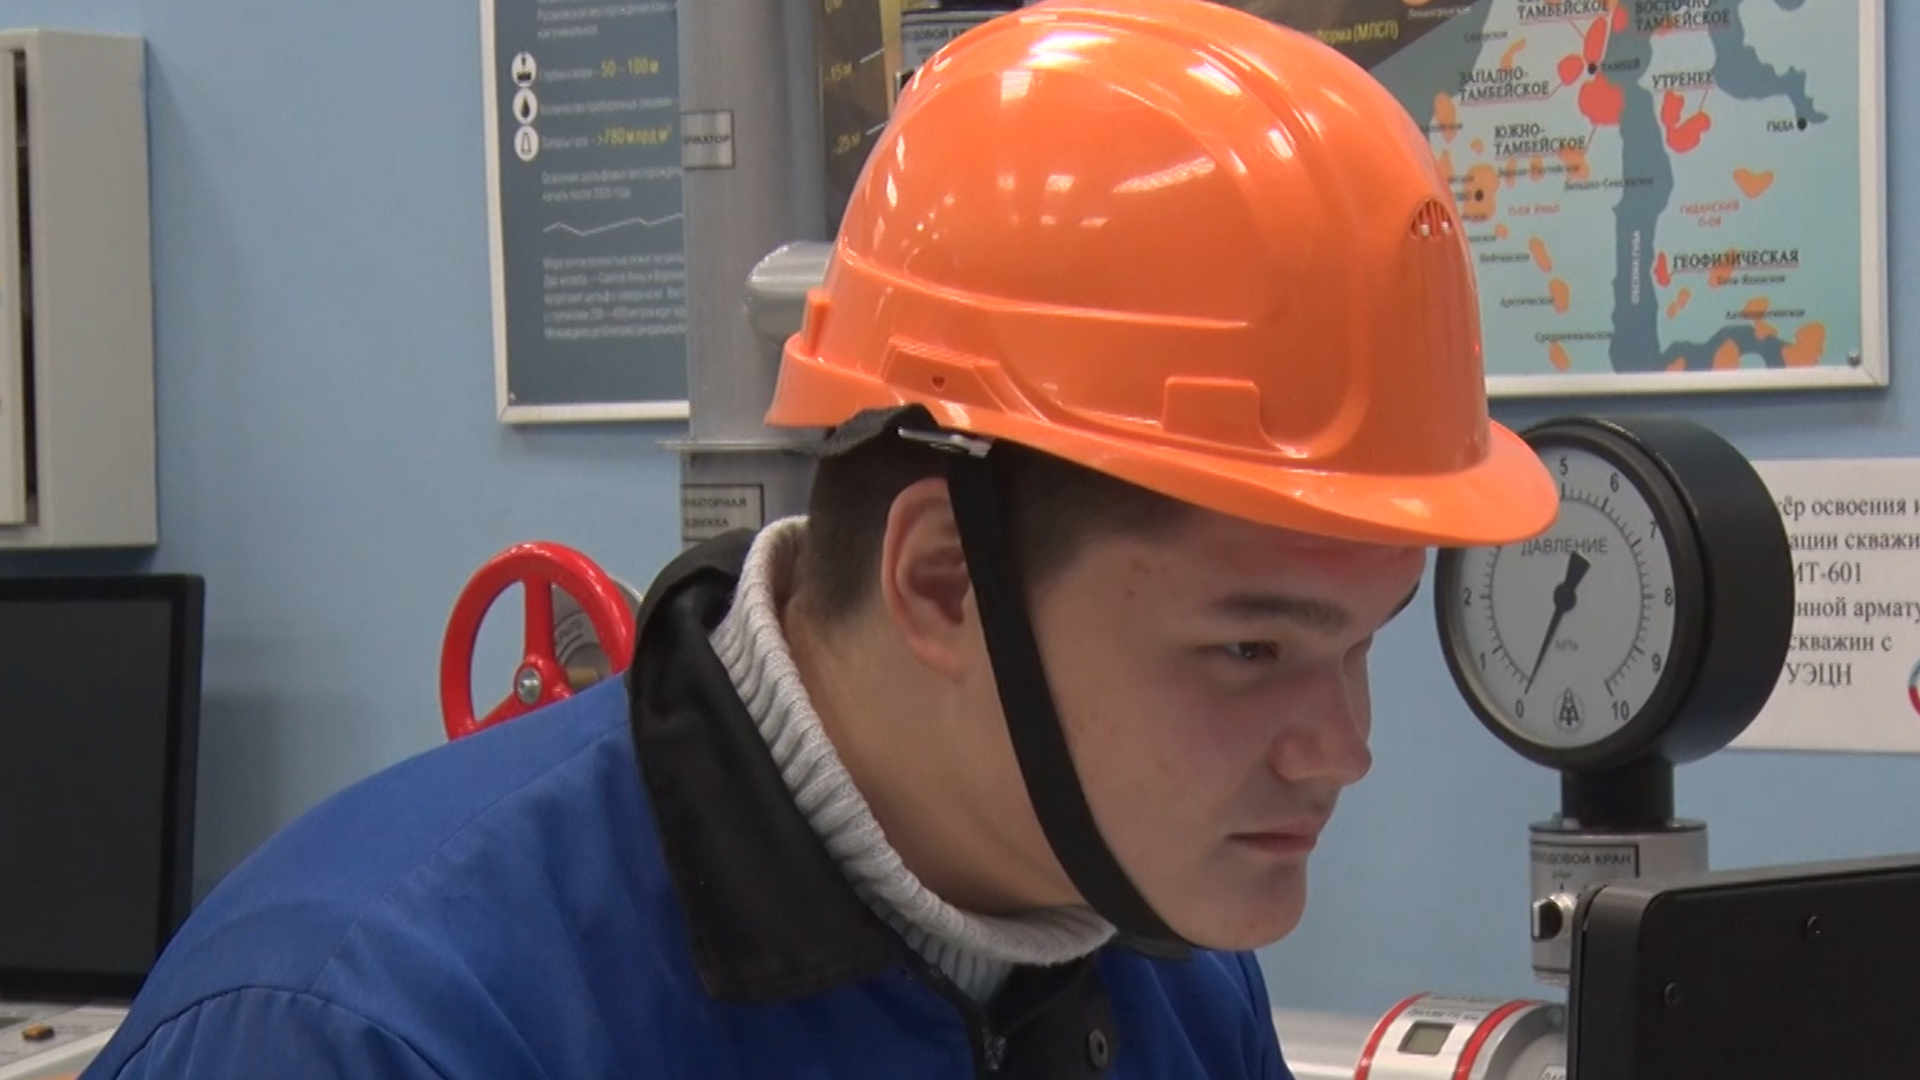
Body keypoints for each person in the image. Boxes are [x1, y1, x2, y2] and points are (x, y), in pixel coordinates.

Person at [78, 1, 1557, 1077]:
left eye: (1360, 645)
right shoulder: (367, 1029)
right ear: (940, 582)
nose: (1341, 748)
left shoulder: (1155, 961)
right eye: (1251, 649)